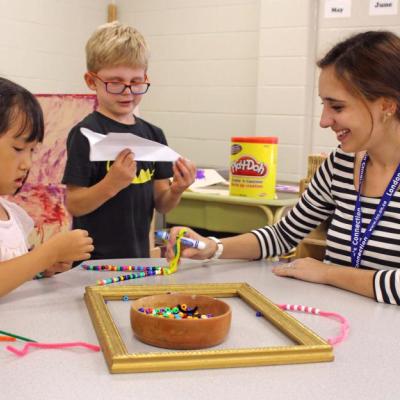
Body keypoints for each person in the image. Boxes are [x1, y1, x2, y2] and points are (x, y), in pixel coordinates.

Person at [166, 31, 400, 306]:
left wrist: (327, 273)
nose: (325, 121)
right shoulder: (341, 164)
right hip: (339, 320)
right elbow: (283, 234)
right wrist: (212, 247)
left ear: (386, 104)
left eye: (336, 106)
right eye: (324, 105)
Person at [62, 21, 196, 261]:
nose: (127, 91)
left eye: (136, 82)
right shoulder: (85, 134)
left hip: (137, 259)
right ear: (91, 81)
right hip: (92, 264)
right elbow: (75, 204)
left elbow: (162, 204)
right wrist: (112, 183)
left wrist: (177, 189)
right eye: (115, 82)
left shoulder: (154, 135)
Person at [0, 77, 94, 297]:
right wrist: (46, 254)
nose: (27, 164)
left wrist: (41, 270)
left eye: (32, 151)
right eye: (18, 148)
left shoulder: (11, 214)